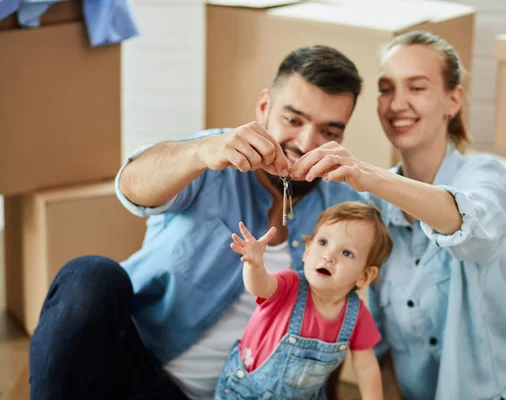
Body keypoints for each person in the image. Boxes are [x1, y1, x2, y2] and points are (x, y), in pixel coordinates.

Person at [29, 45, 366, 400]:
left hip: (239, 393)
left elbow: (338, 322)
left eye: (329, 132)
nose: (306, 144)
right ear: (265, 106)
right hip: (132, 365)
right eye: (293, 120)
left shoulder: (346, 209)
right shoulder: (213, 156)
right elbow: (131, 185)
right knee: (90, 276)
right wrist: (200, 153)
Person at [290, 31, 506, 400]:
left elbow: (471, 230)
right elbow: (384, 340)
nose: (396, 103)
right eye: (386, 89)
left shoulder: (484, 176)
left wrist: (372, 177)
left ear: (453, 100)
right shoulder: (375, 213)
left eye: (416, 88)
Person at [215, 202, 393, 400]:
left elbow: (366, 368)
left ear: (365, 275)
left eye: (346, 253)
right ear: (307, 250)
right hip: (246, 392)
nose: (328, 256)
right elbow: (259, 286)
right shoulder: (289, 284)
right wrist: (254, 265)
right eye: (323, 242)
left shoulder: (355, 314)